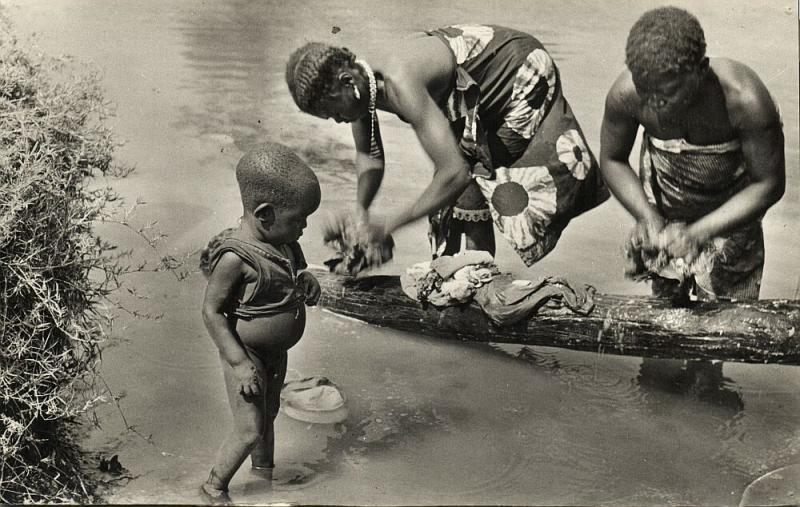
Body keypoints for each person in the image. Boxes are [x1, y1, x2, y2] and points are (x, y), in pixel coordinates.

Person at [285, 24, 608, 268]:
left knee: (471, 178)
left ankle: (476, 272)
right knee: (458, 188)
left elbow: (454, 172)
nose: (338, 121)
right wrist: (362, 213)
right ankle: (467, 270)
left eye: (335, 111)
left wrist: (390, 224)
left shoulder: (399, 82)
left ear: (347, 81)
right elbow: (369, 155)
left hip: (517, 74)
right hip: (470, 97)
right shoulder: (363, 88)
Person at [600, 6, 785, 302]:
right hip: (666, 207)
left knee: (730, 321)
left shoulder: (745, 100)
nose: (654, 103)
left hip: (732, 214)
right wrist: (648, 218)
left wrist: (699, 233)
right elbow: (612, 160)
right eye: (645, 91)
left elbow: (769, 184)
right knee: (667, 316)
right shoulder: (626, 95)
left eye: (668, 93)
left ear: (700, 69)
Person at [199, 142, 322, 503]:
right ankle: (214, 487)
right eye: (298, 219)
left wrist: (307, 279)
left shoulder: (284, 242)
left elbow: (296, 269)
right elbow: (211, 311)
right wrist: (238, 364)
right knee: (249, 426)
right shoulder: (236, 258)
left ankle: (262, 475)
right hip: (247, 354)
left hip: (274, 353)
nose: (303, 226)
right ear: (265, 214)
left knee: (269, 414)